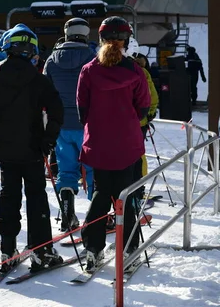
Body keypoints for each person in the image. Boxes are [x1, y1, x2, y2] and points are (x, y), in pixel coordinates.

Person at [0, 24, 64, 272]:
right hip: (34, 148)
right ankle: (41, 250)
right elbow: (57, 111)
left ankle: (7, 248)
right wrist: (48, 139)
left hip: (6, 148)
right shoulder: (38, 78)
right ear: (31, 50)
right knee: (36, 197)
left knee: (8, 196)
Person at [77, 16, 150, 272]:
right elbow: (143, 107)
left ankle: (93, 249)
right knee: (126, 197)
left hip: (98, 144)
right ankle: (129, 249)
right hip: (127, 144)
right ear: (126, 41)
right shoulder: (135, 71)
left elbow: (81, 110)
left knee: (100, 195)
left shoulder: (89, 70)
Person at [43, 18, 96, 232]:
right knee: (94, 169)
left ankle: (67, 213)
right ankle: (98, 215)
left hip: (62, 124)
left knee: (65, 169)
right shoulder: (93, 58)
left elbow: (46, 91)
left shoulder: (52, 61)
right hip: (89, 125)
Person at [126, 38, 159, 200]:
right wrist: (150, 113)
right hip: (140, 122)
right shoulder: (142, 72)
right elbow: (152, 96)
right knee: (138, 154)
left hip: (121, 123)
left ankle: (129, 188)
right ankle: (139, 185)